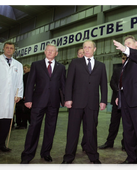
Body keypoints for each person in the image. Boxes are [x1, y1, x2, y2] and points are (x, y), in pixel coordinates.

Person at [59, 40, 107, 170]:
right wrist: (67, 98)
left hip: (92, 104)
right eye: (84, 47)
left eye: (89, 47)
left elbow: (103, 84)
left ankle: (94, 157)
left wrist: (104, 100)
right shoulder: (75, 62)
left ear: (94, 49)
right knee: (72, 131)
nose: (86, 49)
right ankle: (68, 157)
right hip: (76, 102)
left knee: (91, 131)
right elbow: (69, 82)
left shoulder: (101, 66)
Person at [20, 44, 66, 169]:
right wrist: (28, 99)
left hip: (53, 103)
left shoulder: (61, 67)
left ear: (56, 53)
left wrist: (65, 100)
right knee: (34, 128)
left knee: (50, 129)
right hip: (38, 102)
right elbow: (30, 84)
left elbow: (63, 85)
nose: (50, 52)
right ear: (45, 52)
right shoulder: (36, 65)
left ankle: (46, 153)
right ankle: (27, 156)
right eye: (48, 50)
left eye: (53, 51)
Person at [113, 35, 137, 170]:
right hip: (125, 100)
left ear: (136, 44)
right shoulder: (127, 62)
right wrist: (119, 94)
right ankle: (131, 158)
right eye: (125, 44)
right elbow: (123, 81)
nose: (126, 45)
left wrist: (126, 49)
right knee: (128, 132)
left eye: (129, 43)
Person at [98, 55, 126, 151]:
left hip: (127, 101)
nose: (124, 60)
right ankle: (109, 142)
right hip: (116, 100)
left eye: (126, 58)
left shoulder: (132, 70)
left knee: (127, 124)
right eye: (123, 58)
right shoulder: (117, 70)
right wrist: (118, 90)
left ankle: (125, 144)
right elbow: (112, 82)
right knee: (114, 123)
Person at [15, 64, 31, 129]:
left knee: (24, 111)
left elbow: (27, 87)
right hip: (25, 96)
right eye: (23, 68)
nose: (24, 70)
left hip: (25, 96)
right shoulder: (25, 76)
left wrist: (25, 95)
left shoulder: (28, 76)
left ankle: (23, 124)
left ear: (29, 68)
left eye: (25, 68)